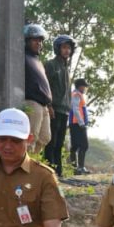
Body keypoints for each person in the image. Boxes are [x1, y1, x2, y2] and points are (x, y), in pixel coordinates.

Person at [43, 34, 76, 176]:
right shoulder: (50, 65)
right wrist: (48, 105)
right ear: (58, 48)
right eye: (64, 47)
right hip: (53, 109)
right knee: (51, 142)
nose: (67, 50)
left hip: (64, 111)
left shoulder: (66, 68)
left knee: (60, 143)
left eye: (69, 48)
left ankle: (59, 172)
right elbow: (45, 87)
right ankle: (49, 171)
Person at [23, 24, 53, 153]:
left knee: (45, 137)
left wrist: (49, 105)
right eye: (35, 40)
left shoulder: (38, 61)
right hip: (32, 101)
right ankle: (24, 167)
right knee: (31, 136)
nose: (39, 43)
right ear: (27, 40)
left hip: (44, 104)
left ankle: (32, 163)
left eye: (40, 40)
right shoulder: (22, 57)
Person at [68, 78, 90, 174]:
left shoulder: (75, 94)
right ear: (80, 86)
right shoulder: (77, 95)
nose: (85, 88)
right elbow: (76, 109)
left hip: (74, 124)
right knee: (84, 145)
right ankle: (80, 167)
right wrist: (82, 123)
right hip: (78, 124)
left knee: (75, 146)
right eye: (84, 86)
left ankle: (75, 168)